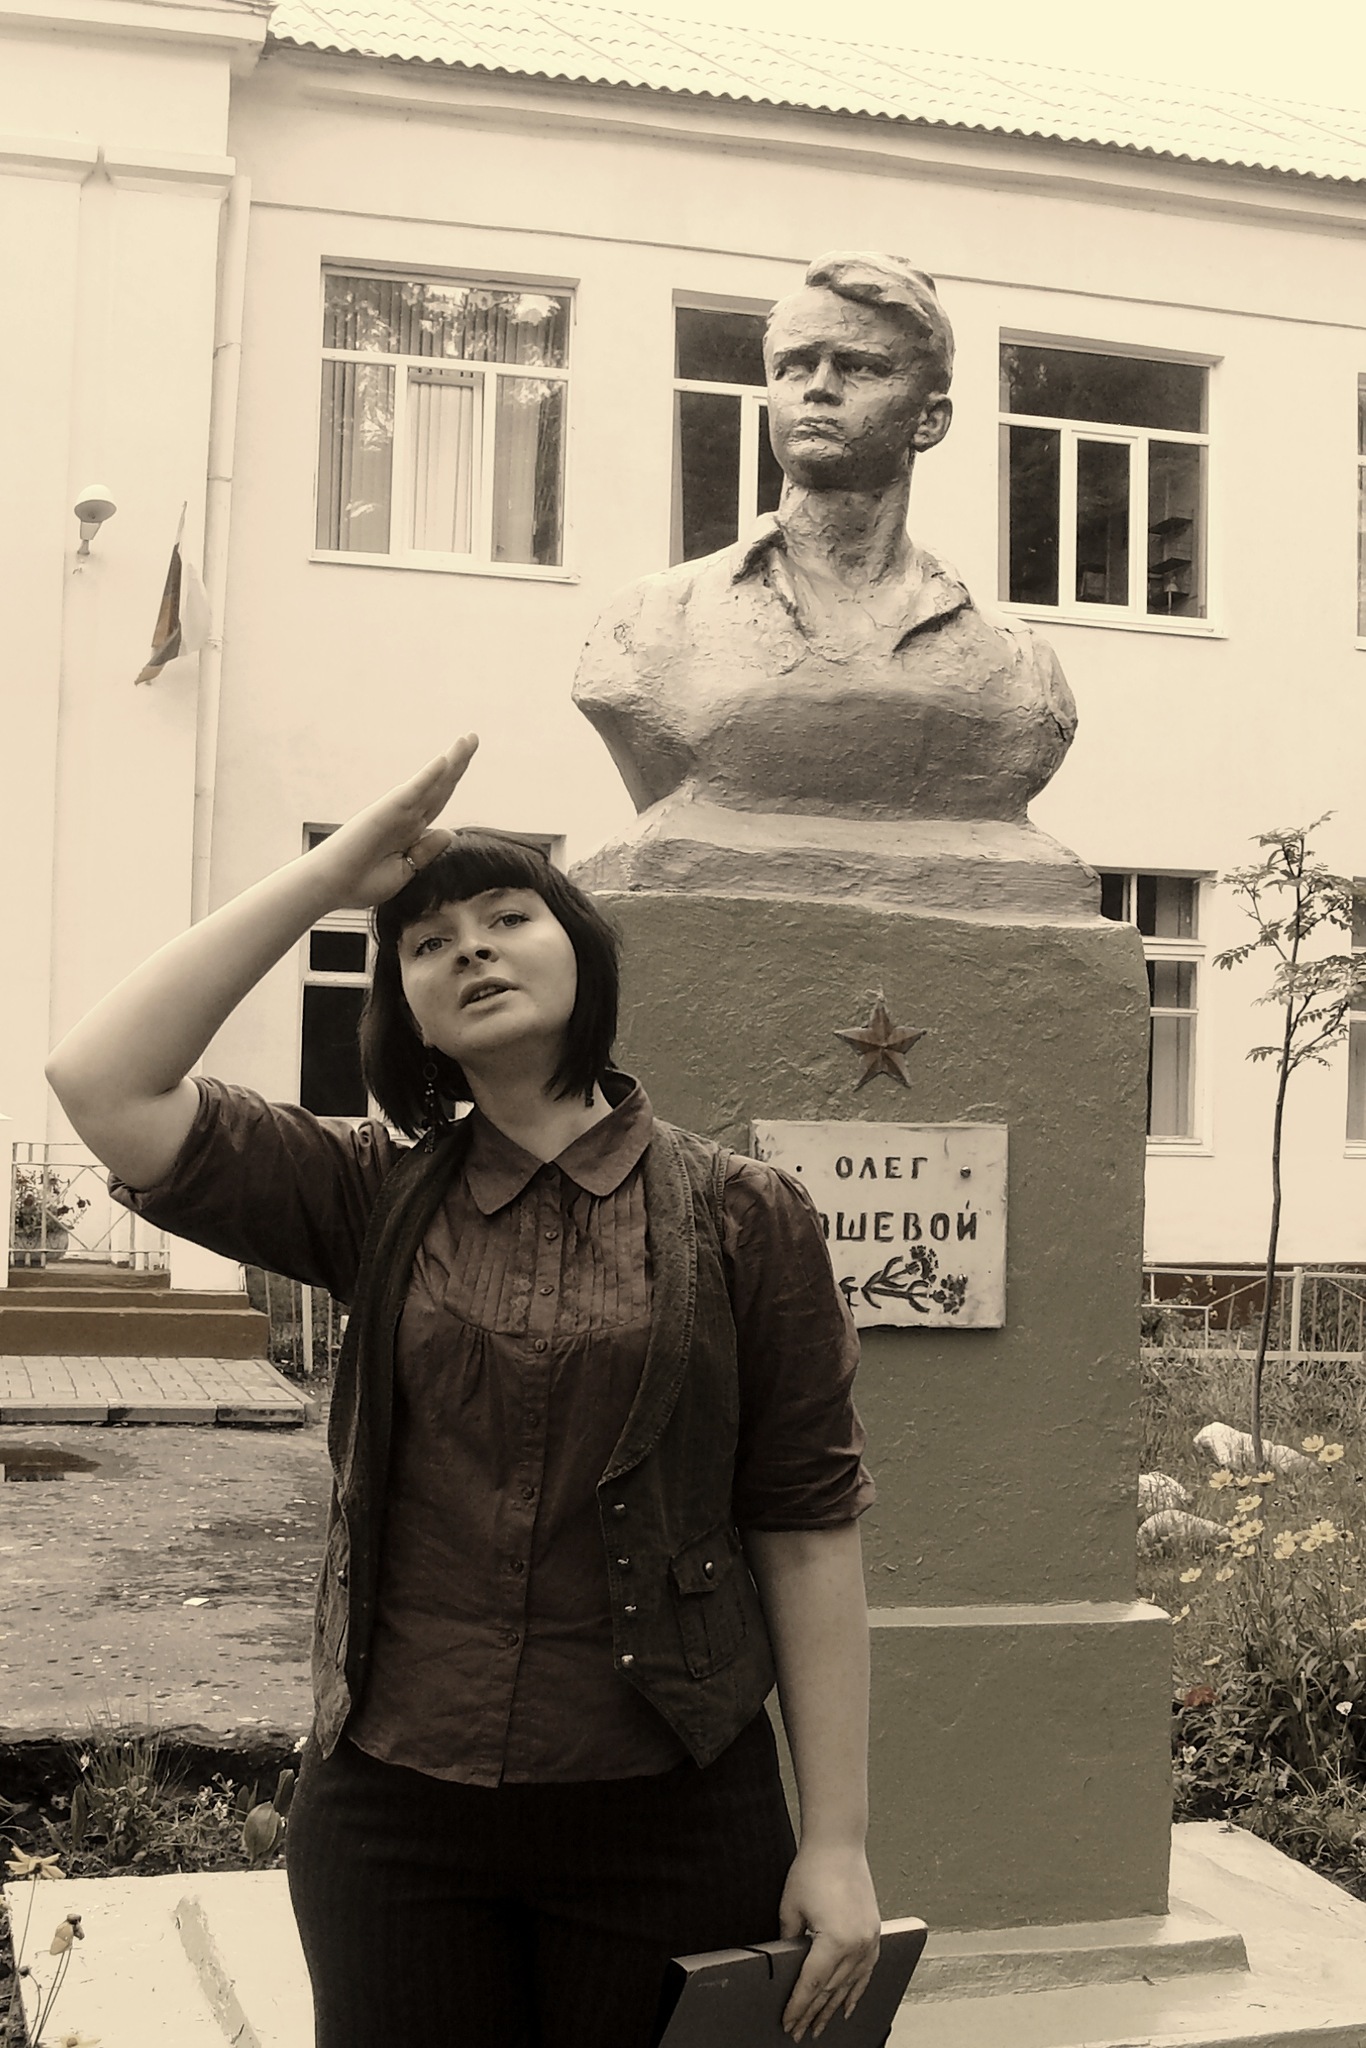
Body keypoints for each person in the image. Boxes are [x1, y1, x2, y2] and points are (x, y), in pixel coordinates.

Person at [44, 737, 882, 2048]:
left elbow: (805, 1525)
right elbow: (102, 1082)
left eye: (508, 917)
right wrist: (329, 879)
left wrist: (836, 1842)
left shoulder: (743, 1215)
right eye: (429, 944)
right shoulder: (366, 1193)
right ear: (409, 1012)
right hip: (395, 1816)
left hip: (669, 1806)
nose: (472, 950)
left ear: (581, 951)